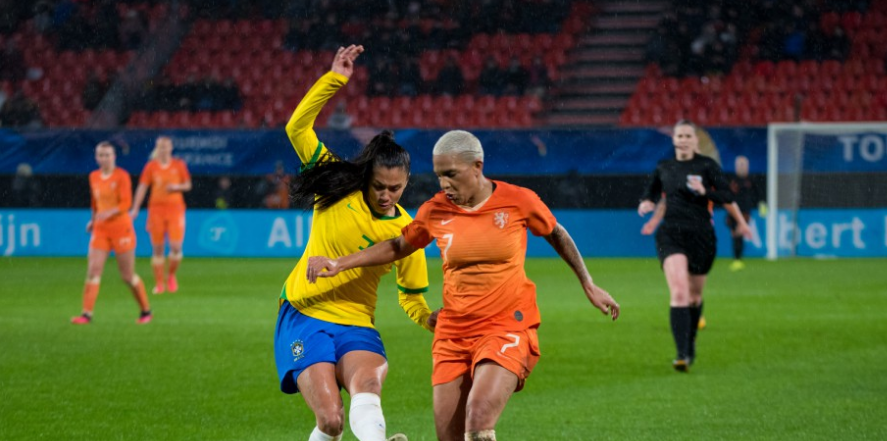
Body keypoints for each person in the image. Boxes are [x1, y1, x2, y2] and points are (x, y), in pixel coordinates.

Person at [307, 129, 620, 441]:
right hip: (453, 334)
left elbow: (556, 232)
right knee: (451, 437)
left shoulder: (517, 201)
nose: (444, 184)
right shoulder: (436, 209)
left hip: (506, 325)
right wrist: (340, 263)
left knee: (479, 418)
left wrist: (588, 283)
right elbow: (398, 246)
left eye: (452, 174)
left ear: (477, 167)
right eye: (440, 175)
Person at [275, 44, 432, 441]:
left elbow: (411, 298)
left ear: (407, 183)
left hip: (357, 323)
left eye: (395, 188)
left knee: (370, 388)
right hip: (305, 313)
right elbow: (297, 128)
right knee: (330, 420)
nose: (386, 195)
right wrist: (334, 81)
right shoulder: (335, 186)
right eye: (379, 186)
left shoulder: (408, 231)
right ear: (366, 177)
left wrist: (432, 319)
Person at [638, 120, 751, 372]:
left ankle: (689, 345)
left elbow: (727, 196)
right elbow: (652, 193)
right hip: (671, 235)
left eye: (689, 135)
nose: (684, 139)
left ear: (695, 140)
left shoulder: (707, 166)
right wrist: (646, 203)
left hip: (701, 236)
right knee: (679, 292)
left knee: (695, 296)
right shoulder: (664, 167)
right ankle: (681, 355)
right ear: (674, 139)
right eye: (680, 135)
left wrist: (704, 192)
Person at [71, 142, 152, 325]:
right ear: (96, 157)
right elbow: (95, 202)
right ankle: (86, 314)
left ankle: (145, 310)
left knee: (127, 276)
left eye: (107, 155)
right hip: (101, 229)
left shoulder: (121, 176)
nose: (104, 158)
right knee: (93, 271)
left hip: (121, 229)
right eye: (101, 155)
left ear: (114, 157)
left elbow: (126, 203)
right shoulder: (93, 176)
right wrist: (93, 220)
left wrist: (110, 212)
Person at [130, 136, 192, 295]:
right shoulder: (151, 167)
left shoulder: (179, 165)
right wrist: (135, 208)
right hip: (156, 210)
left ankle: (171, 275)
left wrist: (176, 187)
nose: (163, 149)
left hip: (175, 209)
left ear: (171, 148)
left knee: (176, 247)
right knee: (157, 249)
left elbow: (188, 185)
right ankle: (159, 284)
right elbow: (142, 187)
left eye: (166, 146)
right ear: (157, 148)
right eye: (160, 146)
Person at [726, 155, 766, 271]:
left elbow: (759, 194)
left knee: (739, 232)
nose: (742, 167)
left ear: (748, 166)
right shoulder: (731, 179)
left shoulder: (751, 180)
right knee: (734, 235)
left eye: (744, 164)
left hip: (745, 212)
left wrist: (762, 206)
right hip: (732, 212)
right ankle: (736, 259)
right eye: (739, 164)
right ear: (736, 166)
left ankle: (738, 260)